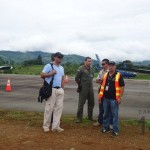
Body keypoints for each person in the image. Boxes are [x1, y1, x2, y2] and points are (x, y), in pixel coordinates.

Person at [98, 61, 125, 136]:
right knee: (106, 114)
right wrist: (100, 97)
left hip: (114, 99)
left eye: (112, 65)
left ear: (115, 67)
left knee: (114, 115)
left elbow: (122, 86)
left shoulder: (118, 75)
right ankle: (106, 128)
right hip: (106, 98)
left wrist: (120, 97)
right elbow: (102, 86)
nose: (111, 67)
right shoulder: (106, 75)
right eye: (110, 65)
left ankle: (115, 130)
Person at [41, 52, 65, 133]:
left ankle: (56, 126)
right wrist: (51, 73)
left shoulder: (61, 68)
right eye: (59, 57)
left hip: (59, 90)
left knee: (58, 109)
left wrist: (62, 88)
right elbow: (42, 75)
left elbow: (62, 78)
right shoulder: (49, 66)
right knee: (49, 108)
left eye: (61, 57)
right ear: (54, 57)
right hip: (51, 89)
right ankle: (46, 126)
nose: (60, 58)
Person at [75, 57, 95, 123]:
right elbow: (77, 78)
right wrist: (79, 85)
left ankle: (90, 117)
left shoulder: (92, 69)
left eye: (91, 61)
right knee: (81, 103)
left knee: (91, 103)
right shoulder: (81, 68)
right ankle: (79, 118)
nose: (90, 62)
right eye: (88, 61)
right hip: (83, 87)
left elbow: (92, 77)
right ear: (85, 61)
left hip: (90, 87)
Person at [93, 59, 110, 126]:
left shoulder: (110, 72)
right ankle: (100, 121)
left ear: (107, 64)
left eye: (103, 64)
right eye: (102, 64)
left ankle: (109, 122)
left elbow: (107, 81)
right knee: (101, 107)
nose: (102, 65)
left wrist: (102, 80)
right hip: (101, 90)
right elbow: (97, 80)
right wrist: (102, 80)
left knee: (108, 108)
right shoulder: (101, 71)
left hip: (108, 91)